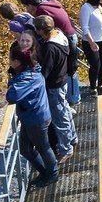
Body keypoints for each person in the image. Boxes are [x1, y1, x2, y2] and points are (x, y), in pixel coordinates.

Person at [6, 43, 58, 188]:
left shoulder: (28, 77)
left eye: (11, 58)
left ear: (17, 62)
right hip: (31, 117)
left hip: (37, 119)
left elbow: (12, 95)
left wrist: (11, 82)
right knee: (25, 149)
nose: (9, 60)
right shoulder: (30, 71)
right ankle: (44, 172)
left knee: (44, 148)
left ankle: (52, 175)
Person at [20, 0, 81, 105]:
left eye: (26, 7)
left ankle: (72, 99)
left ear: (30, 5)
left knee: (68, 70)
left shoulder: (41, 11)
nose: (27, 10)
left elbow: (44, 27)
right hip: (68, 35)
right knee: (69, 68)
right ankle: (72, 98)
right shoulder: (47, 2)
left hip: (65, 38)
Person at [34, 15, 77, 162]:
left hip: (54, 85)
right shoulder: (60, 34)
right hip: (63, 79)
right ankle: (72, 138)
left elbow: (46, 70)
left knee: (59, 118)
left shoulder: (50, 47)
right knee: (65, 110)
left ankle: (66, 149)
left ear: (41, 30)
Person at [79, 0, 102, 94]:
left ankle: (100, 84)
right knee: (95, 64)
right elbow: (84, 27)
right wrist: (91, 42)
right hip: (91, 41)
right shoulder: (86, 7)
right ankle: (93, 87)